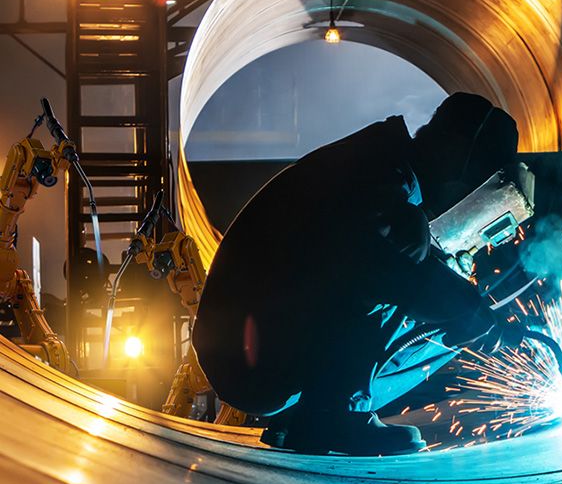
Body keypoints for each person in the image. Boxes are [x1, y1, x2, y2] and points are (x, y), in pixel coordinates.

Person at [193, 92, 520, 455]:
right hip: (250, 359)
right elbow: (376, 270)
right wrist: (463, 306)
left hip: (250, 348)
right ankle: (335, 414)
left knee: (446, 306)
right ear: (456, 152)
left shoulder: (382, 166)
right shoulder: (377, 176)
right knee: (422, 264)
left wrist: (462, 308)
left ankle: (308, 414)